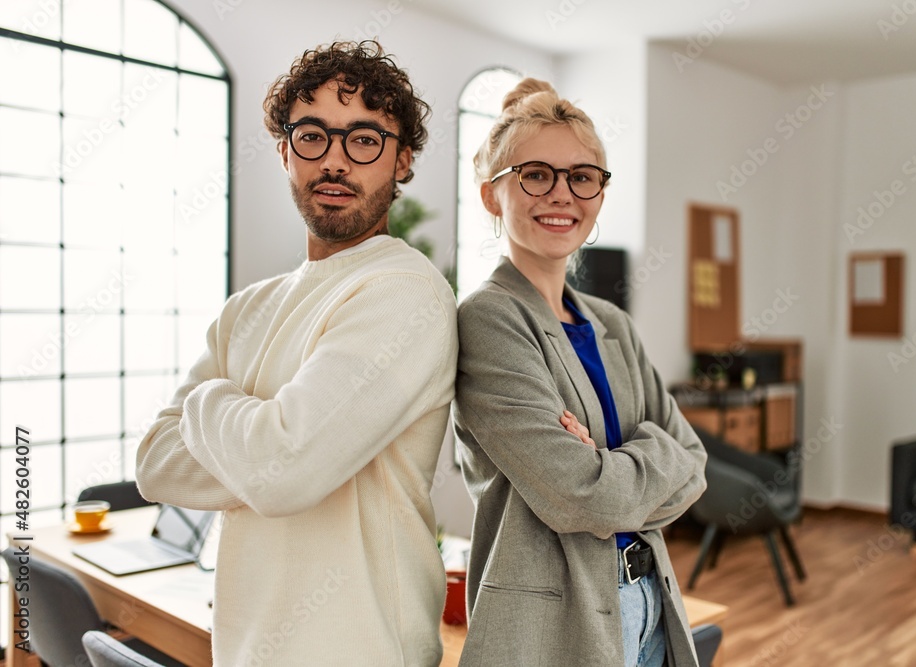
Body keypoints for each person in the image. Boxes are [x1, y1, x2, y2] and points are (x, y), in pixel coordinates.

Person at [135, 41, 457, 666]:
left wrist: (210, 401)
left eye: (365, 140)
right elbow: (155, 462)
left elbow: (281, 472)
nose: (335, 161)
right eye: (313, 136)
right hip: (245, 648)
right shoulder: (245, 309)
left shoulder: (405, 291)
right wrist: (264, 452)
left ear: (402, 160)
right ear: (285, 150)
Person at [452, 78, 707, 667]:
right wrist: (649, 453)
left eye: (582, 176)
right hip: (553, 621)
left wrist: (611, 464)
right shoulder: (489, 320)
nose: (561, 194)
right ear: (493, 195)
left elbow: (693, 464)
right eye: (535, 174)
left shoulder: (612, 322)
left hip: (651, 600)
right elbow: (580, 498)